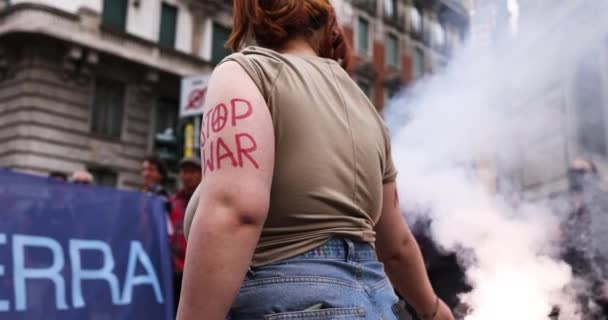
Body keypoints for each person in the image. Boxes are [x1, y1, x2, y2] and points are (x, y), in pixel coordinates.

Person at [177, 1, 454, 320]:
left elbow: (235, 210)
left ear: (250, 17)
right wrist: (433, 310)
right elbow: (397, 246)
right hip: (379, 305)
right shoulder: (368, 111)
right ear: (327, 26)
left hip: (290, 301)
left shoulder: (244, 72)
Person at [169, 157, 202, 315]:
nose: (187, 176)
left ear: (201, 174)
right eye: (184, 172)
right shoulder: (171, 201)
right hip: (173, 271)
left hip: (197, 273)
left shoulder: (207, 201)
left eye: (192, 171)